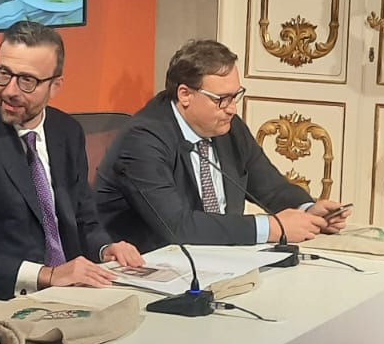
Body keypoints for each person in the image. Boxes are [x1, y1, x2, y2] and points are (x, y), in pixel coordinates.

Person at [0, 21, 145, 303]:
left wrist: (106, 249)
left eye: (27, 81)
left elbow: (84, 220)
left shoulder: (66, 132)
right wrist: (47, 275)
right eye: (3, 74)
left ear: (55, 86)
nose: (10, 90)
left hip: (71, 294)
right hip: (2, 300)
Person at [94, 39, 350, 252]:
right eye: (222, 99)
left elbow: (271, 188)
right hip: (148, 265)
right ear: (185, 95)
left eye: (235, 96)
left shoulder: (227, 127)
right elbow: (177, 226)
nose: (232, 109)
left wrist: (308, 210)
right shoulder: (142, 139)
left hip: (219, 258)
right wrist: (271, 228)